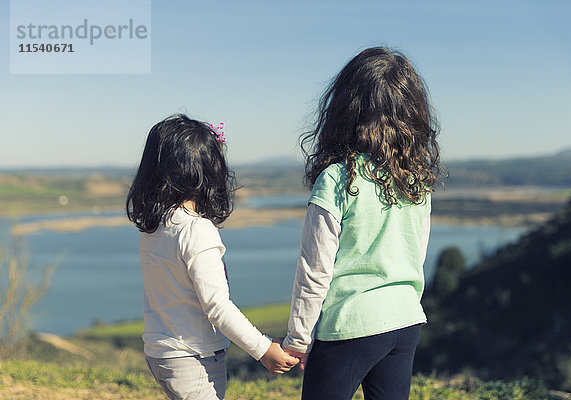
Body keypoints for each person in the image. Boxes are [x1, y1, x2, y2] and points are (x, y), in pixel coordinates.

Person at [282, 47, 444, 400]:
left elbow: (315, 271)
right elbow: (416, 256)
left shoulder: (337, 178)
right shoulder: (416, 181)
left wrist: (298, 339)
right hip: (405, 319)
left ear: (345, 106)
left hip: (350, 325)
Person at [126, 115, 298, 400]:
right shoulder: (197, 230)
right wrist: (264, 349)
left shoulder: (154, 225)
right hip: (194, 359)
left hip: (161, 354)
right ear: (208, 171)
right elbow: (217, 307)